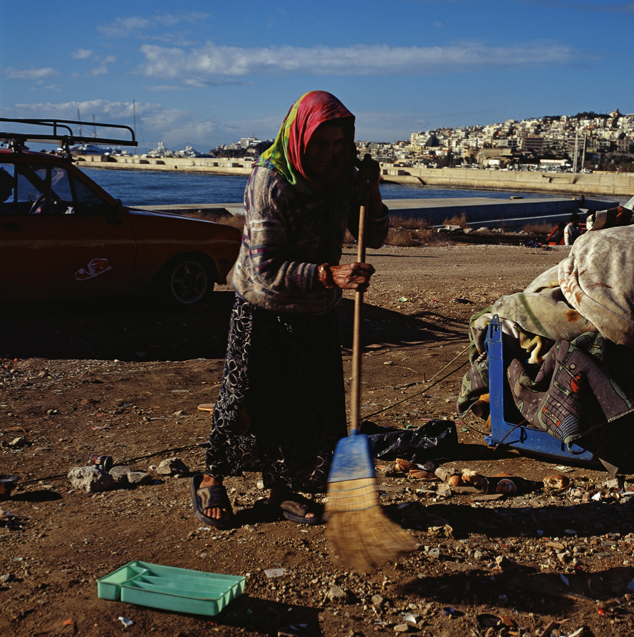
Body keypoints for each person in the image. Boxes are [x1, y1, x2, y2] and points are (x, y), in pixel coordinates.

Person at [190, 91, 389, 528]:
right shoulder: (271, 179)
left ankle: (279, 490)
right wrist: (328, 275)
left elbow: (373, 235)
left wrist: (370, 192)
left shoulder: (343, 176)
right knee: (243, 400)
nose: (329, 154)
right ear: (299, 136)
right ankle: (211, 477)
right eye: (321, 144)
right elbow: (264, 267)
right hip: (263, 303)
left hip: (315, 308)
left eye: (338, 145)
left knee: (302, 403)